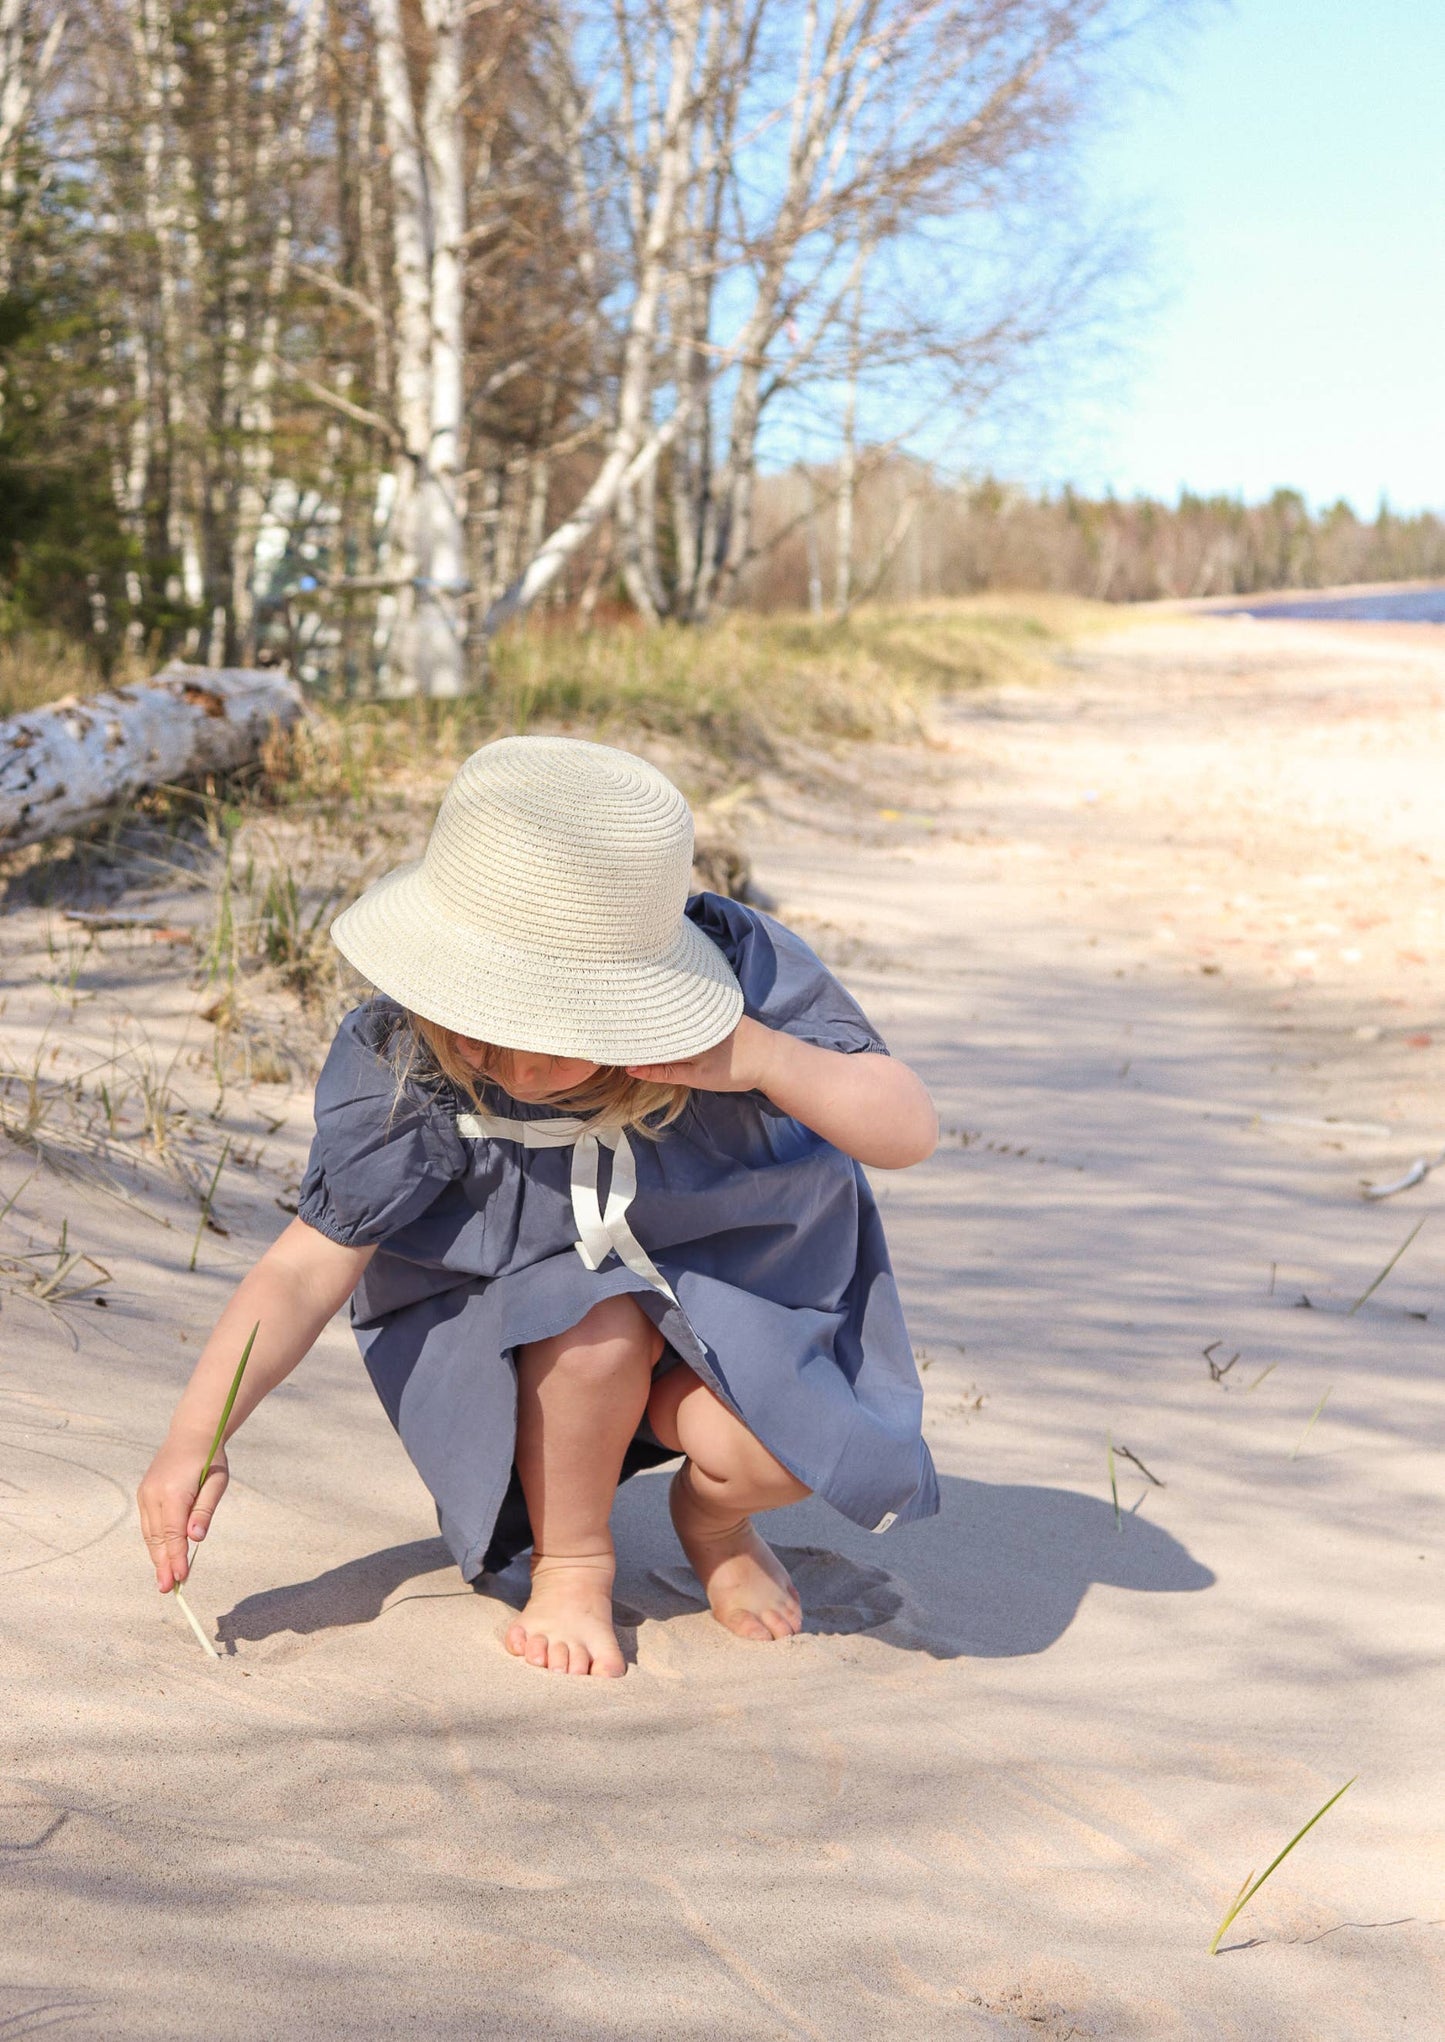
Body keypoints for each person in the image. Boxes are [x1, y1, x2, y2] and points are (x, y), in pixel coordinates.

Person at [137, 736, 940, 1678]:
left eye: (555, 1033)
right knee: (589, 1322)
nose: (516, 1069)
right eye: (485, 1028)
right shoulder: (410, 1056)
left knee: (786, 1452)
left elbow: (906, 1131)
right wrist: (198, 1438)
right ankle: (574, 1560)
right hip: (520, 1319)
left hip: (733, 1286)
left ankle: (713, 1522)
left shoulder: (734, 984)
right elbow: (307, 1263)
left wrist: (764, 1059)